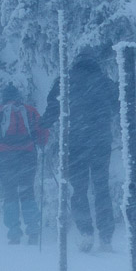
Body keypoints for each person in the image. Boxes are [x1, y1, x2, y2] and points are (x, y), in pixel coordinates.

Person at [41, 51, 119, 252]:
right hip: (101, 142)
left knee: (79, 189)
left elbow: (52, 109)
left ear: (76, 63)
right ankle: (106, 237)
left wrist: (40, 128)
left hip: (75, 143)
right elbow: (121, 106)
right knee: (101, 187)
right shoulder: (105, 82)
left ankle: (86, 233)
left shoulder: (65, 82)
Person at [0, 84, 49, 245]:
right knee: (27, 192)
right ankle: (33, 231)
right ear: (18, 97)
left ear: (4, 97)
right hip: (28, 156)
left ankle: (14, 233)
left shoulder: (0, 111)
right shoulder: (30, 110)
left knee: (10, 194)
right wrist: (41, 142)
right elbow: (43, 131)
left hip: (6, 157)